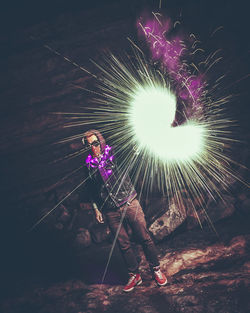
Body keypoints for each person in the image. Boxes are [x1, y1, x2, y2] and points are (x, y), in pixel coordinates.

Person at [82, 129, 167, 292]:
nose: (93, 147)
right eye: (89, 144)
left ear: (100, 141)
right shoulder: (88, 165)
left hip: (129, 203)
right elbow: (90, 189)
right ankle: (134, 275)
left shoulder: (115, 153)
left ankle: (156, 269)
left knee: (144, 237)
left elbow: (132, 152)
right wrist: (96, 209)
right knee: (123, 244)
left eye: (95, 143)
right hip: (110, 210)